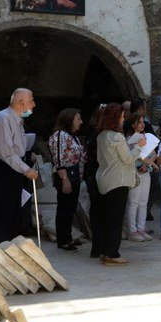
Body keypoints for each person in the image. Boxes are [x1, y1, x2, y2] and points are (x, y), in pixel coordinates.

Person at [0, 88, 38, 243]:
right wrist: (26, 169)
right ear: (22, 103)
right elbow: (6, 152)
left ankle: (9, 247)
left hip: (10, 168)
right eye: (31, 101)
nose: (34, 105)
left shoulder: (17, 120)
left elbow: (17, 148)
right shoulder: (2, 119)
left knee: (12, 212)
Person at [95, 103, 146, 265]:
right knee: (115, 220)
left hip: (105, 180)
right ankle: (113, 254)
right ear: (115, 118)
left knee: (107, 219)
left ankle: (105, 250)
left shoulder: (102, 135)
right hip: (118, 181)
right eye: (122, 116)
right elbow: (128, 159)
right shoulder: (116, 136)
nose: (123, 119)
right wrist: (139, 146)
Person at [48, 108, 87, 252]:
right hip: (66, 174)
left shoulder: (72, 136)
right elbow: (59, 160)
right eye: (78, 119)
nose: (80, 122)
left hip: (74, 173)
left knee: (70, 208)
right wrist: (65, 179)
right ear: (69, 120)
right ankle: (63, 239)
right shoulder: (60, 136)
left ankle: (68, 237)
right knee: (64, 208)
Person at [124, 113, 157, 242]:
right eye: (140, 122)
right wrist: (149, 163)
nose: (143, 124)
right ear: (133, 124)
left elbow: (153, 153)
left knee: (143, 202)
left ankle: (141, 227)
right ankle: (132, 230)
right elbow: (134, 155)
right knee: (133, 202)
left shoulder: (146, 136)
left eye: (143, 122)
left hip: (145, 170)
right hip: (134, 172)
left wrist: (147, 163)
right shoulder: (130, 139)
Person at [84, 104, 106, 258]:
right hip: (96, 173)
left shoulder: (96, 132)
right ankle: (98, 245)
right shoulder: (97, 134)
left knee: (98, 209)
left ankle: (99, 245)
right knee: (99, 209)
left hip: (96, 172)